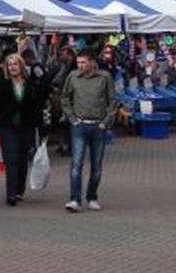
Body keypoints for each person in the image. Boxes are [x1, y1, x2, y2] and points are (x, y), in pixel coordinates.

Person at [61, 49, 120, 213]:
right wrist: (72, 118)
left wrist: (106, 121)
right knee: (76, 164)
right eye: (78, 62)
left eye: (83, 62)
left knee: (96, 166)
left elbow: (113, 100)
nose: (80, 65)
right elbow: (65, 97)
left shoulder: (104, 77)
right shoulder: (73, 76)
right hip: (79, 125)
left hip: (97, 125)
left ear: (92, 62)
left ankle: (92, 196)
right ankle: (75, 199)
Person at [0, 53, 43, 206]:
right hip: (7, 127)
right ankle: (10, 194)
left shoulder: (30, 84)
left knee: (22, 159)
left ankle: (18, 190)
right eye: (9, 65)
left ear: (21, 66)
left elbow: (37, 107)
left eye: (15, 64)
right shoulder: (3, 85)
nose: (12, 67)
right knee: (11, 160)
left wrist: (42, 128)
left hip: (26, 126)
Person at [43, 46, 76, 156]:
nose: (61, 56)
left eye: (63, 54)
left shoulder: (73, 66)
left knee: (68, 123)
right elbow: (59, 78)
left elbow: (63, 79)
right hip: (63, 97)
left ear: (69, 54)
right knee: (63, 123)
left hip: (70, 99)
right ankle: (65, 145)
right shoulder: (64, 66)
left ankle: (70, 147)